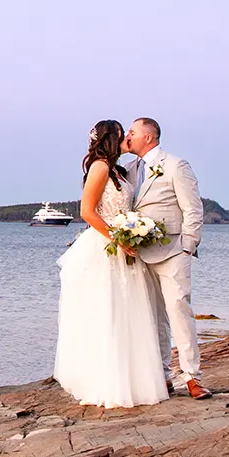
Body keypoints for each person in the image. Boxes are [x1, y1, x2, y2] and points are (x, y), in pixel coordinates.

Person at [53, 120, 169, 407]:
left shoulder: (119, 169)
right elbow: (87, 212)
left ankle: (135, 381)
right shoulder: (100, 167)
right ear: (112, 138)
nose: (128, 138)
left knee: (130, 313)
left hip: (124, 246)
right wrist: (118, 238)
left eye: (131, 133)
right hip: (106, 246)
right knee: (108, 313)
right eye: (124, 134)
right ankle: (106, 383)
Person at [120, 117, 209, 399]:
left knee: (179, 309)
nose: (127, 137)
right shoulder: (128, 170)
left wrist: (188, 246)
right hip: (140, 254)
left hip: (173, 251)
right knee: (154, 317)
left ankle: (192, 376)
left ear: (149, 136)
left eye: (132, 132)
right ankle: (162, 375)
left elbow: (193, 209)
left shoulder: (175, 165)